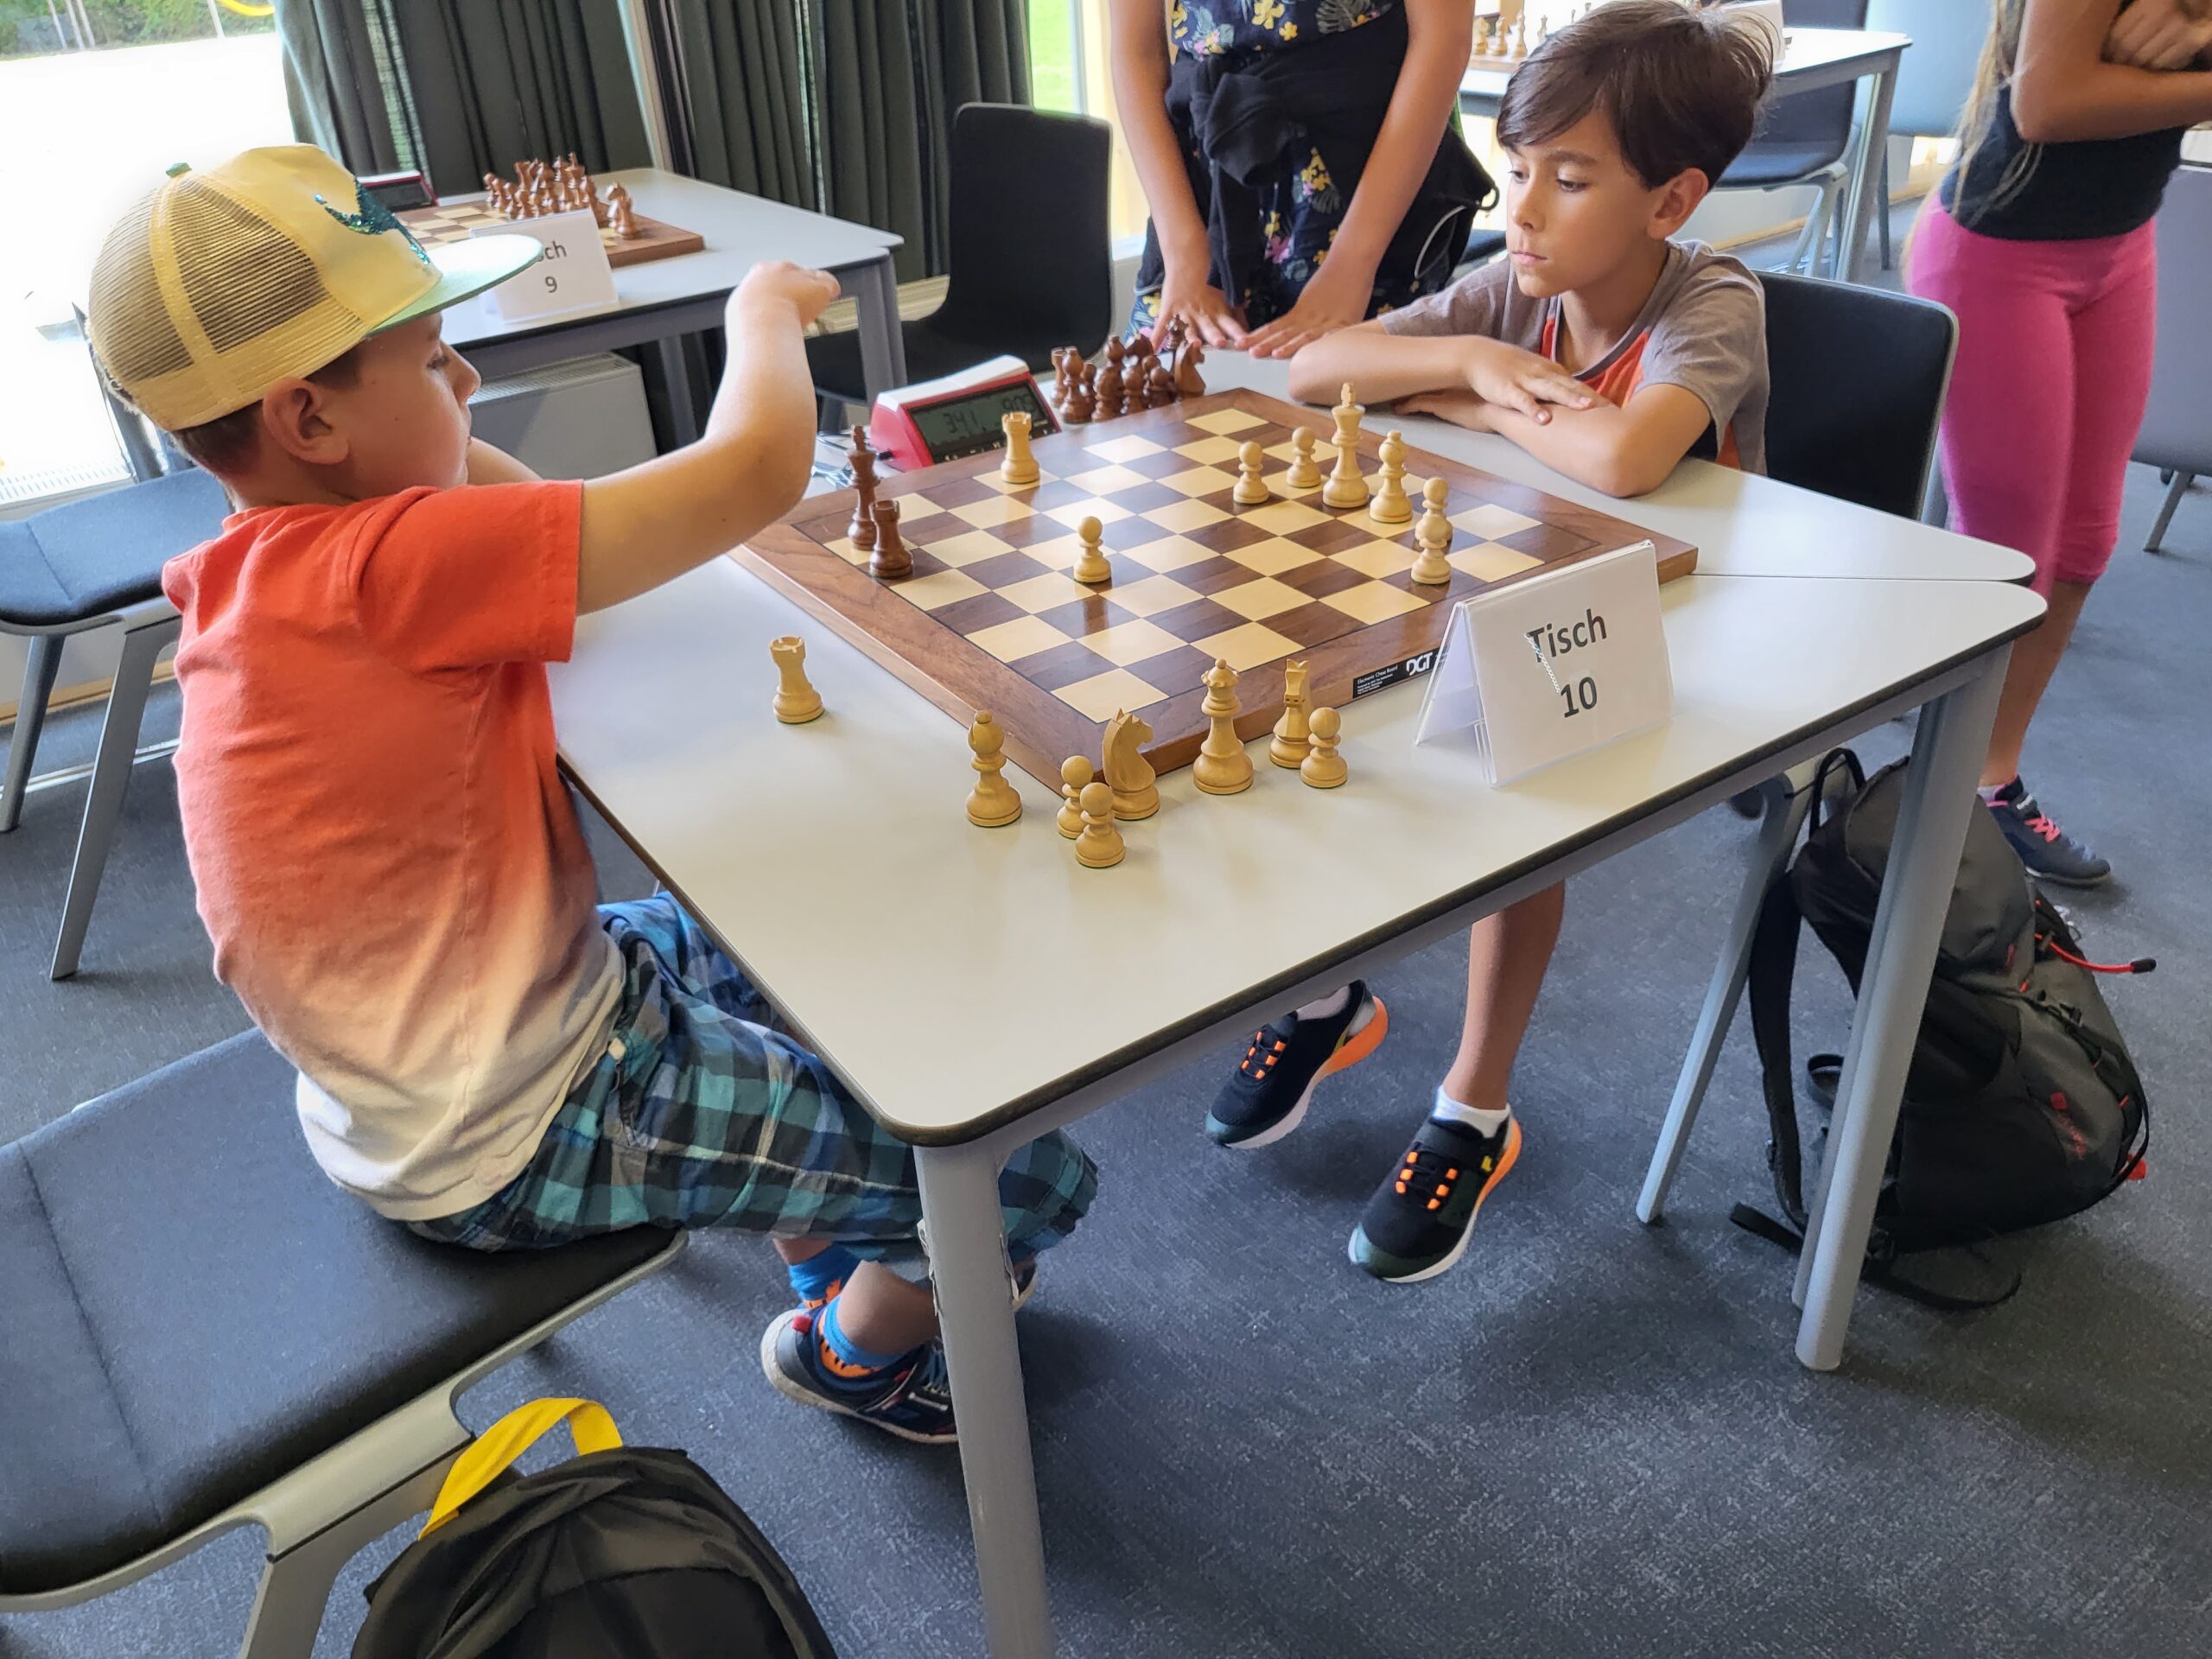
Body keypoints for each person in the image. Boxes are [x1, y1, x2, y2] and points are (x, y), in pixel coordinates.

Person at [84, 147, 1095, 1445]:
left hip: (435, 1061)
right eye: (436, 359)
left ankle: (823, 1241)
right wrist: (760, 310)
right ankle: (848, 1354)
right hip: (521, 1123)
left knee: (785, 946)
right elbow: (753, 469)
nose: (467, 381)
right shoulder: (392, 563)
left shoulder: (261, 564)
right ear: (310, 423)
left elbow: (552, 515)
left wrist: (425, 422)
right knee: (1018, 1179)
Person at [1207, 2, 1774, 1283]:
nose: (1521, 210)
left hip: (1690, 636)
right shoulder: (1515, 291)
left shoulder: (1711, 298)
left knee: (1518, 777)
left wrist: (1475, 403)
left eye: (1568, 180)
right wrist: (1470, 358)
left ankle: (1474, 1105)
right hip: (1519, 590)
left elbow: (1625, 457)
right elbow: (1315, 371)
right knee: (1319, 680)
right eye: (1515, 170)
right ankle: (1326, 997)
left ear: (1671, 201)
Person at [1906, 0, 2212, 886]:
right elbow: (2049, 105)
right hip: (2002, 255)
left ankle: (1988, 781)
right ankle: (1925, 800)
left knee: (2082, 547)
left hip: (2120, 246)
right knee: (2010, 561)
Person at [1111, 0, 1494, 359]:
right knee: (1157, 397)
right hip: (1199, 202)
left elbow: (1442, 41)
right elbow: (1136, 53)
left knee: (1346, 399)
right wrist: (1184, 255)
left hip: (1362, 206)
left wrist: (1352, 266)